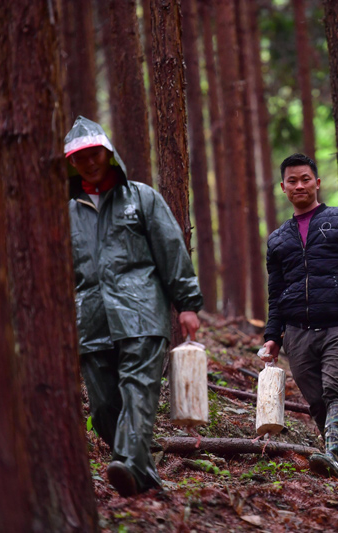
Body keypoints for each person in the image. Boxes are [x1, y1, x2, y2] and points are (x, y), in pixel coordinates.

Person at [65, 116, 203, 496]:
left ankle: (126, 463)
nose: (89, 162)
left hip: (142, 312)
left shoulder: (141, 197)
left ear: (109, 154)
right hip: (90, 320)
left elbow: (171, 249)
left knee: (138, 391)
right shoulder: (64, 211)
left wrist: (187, 304)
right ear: (71, 163)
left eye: (95, 153)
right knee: (104, 407)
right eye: (80, 157)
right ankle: (143, 478)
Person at [260, 153, 338, 478]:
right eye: (292, 180)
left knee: (334, 391)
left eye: (305, 179)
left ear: (317, 183)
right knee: (317, 402)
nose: (299, 185)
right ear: (283, 187)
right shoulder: (277, 239)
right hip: (297, 332)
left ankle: (331, 453)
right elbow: (275, 294)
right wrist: (272, 337)